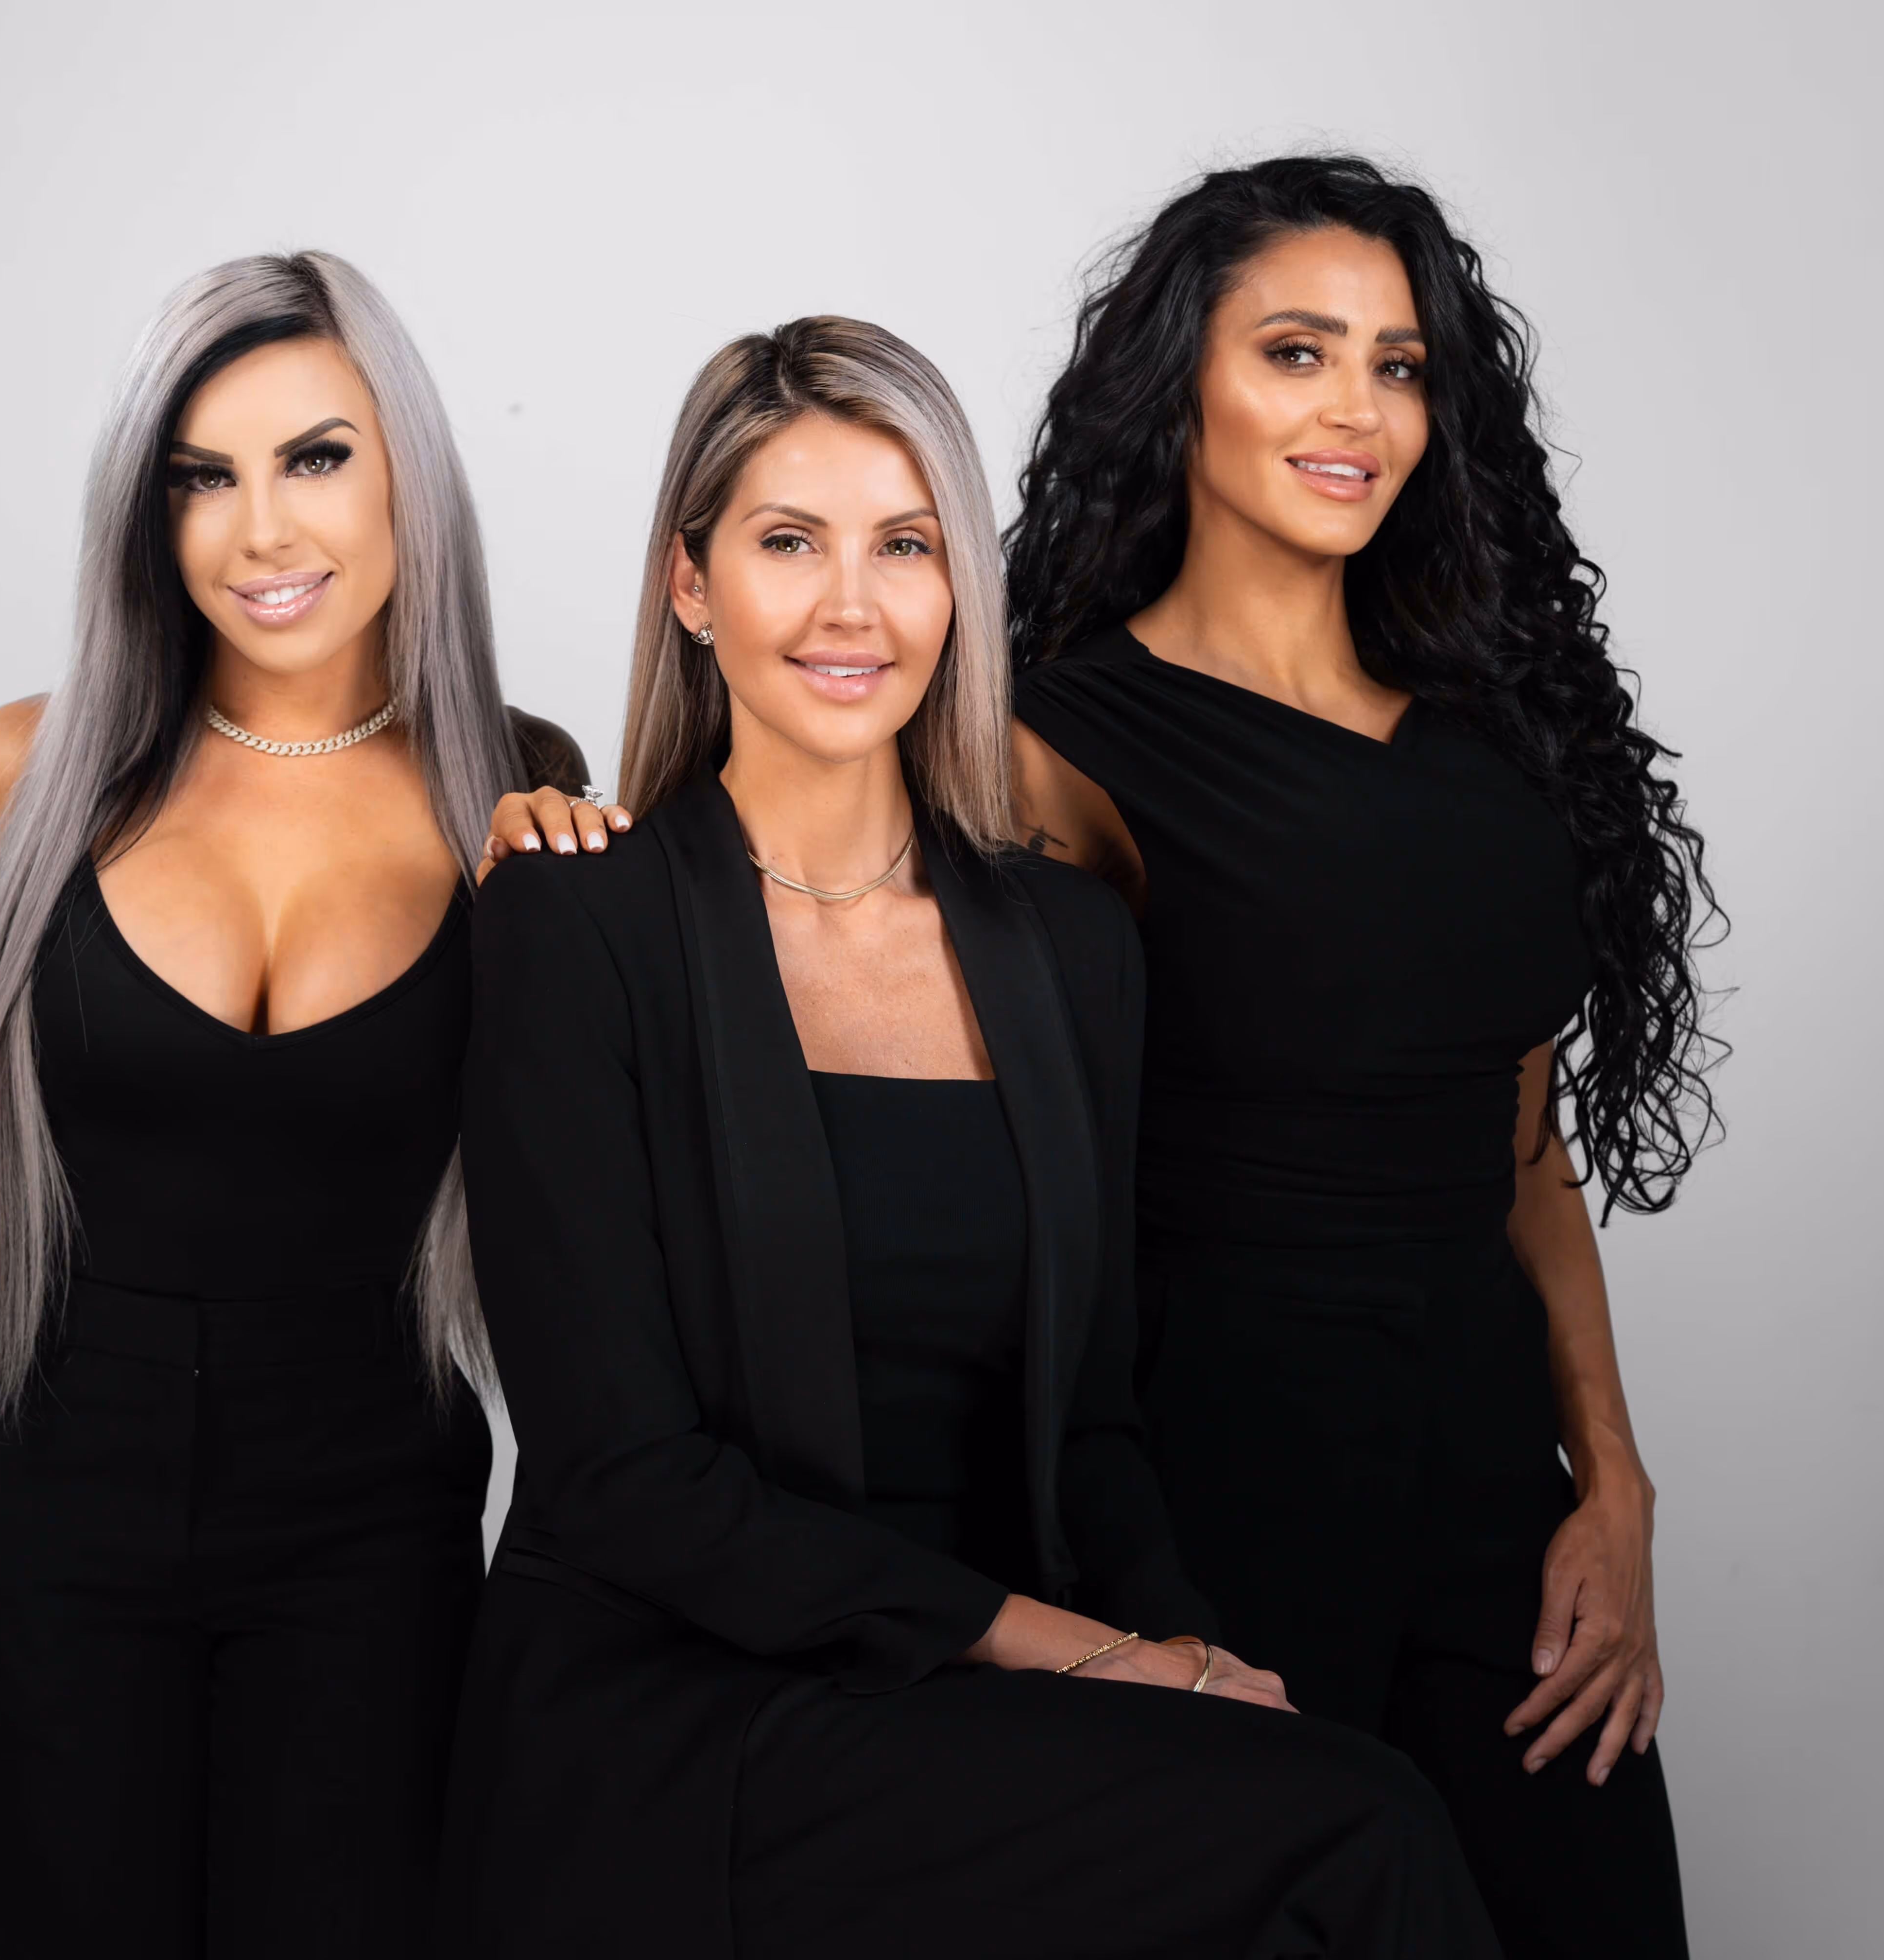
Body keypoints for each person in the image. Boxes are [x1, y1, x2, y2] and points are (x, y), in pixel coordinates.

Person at [447, 315, 1500, 1958]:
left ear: (960, 589)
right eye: (788, 543)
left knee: (1331, 1797)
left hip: (977, 1702)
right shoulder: (576, 926)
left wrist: (1194, 1662)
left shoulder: (1068, 947)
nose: (852, 606)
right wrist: (1072, 1653)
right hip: (691, 1713)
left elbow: (1094, 1431)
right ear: (691, 585)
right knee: (1361, 1839)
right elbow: (621, 1481)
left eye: (906, 545)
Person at [1002, 157, 1712, 1958]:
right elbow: (814, 934)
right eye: (1297, 352)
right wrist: (565, 825)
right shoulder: (1052, 745)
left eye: (1399, 366)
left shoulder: (1490, 735)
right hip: (1221, 1502)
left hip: (1493, 1505)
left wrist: (1615, 1489)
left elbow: (1521, 1153)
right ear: (1179, 386)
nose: (1358, 411)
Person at [0, 250, 584, 1956]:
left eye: (315, 457)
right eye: (203, 477)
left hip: (373, 1505)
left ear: (407, 471)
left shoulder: (520, 790)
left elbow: (583, 1196)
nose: (261, 531)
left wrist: (582, 900)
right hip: (51, 1487)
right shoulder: (16, 779)